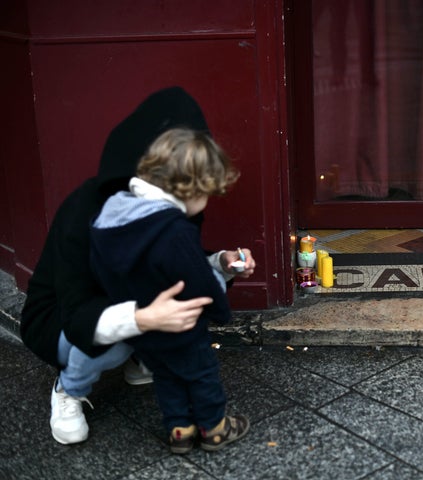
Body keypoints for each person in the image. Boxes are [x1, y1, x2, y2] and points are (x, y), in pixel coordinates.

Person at [19, 87, 255, 446]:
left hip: (128, 298)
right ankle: (69, 386)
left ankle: (142, 357)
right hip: (63, 318)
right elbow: (78, 308)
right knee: (132, 343)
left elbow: (174, 262)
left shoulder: (163, 200)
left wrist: (222, 263)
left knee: (162, 351)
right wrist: (145, 320)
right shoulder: (88, 209)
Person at [89, 128, 250, 454]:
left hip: (143, 325)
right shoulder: (174, 230)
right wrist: (221, 311)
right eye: (207, 193)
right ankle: (214, 427)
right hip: (182, 323)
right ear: (191, 187)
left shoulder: (115, 212)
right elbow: (199, 281)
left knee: (165, 376)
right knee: (201, 373)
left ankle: (179, 429)